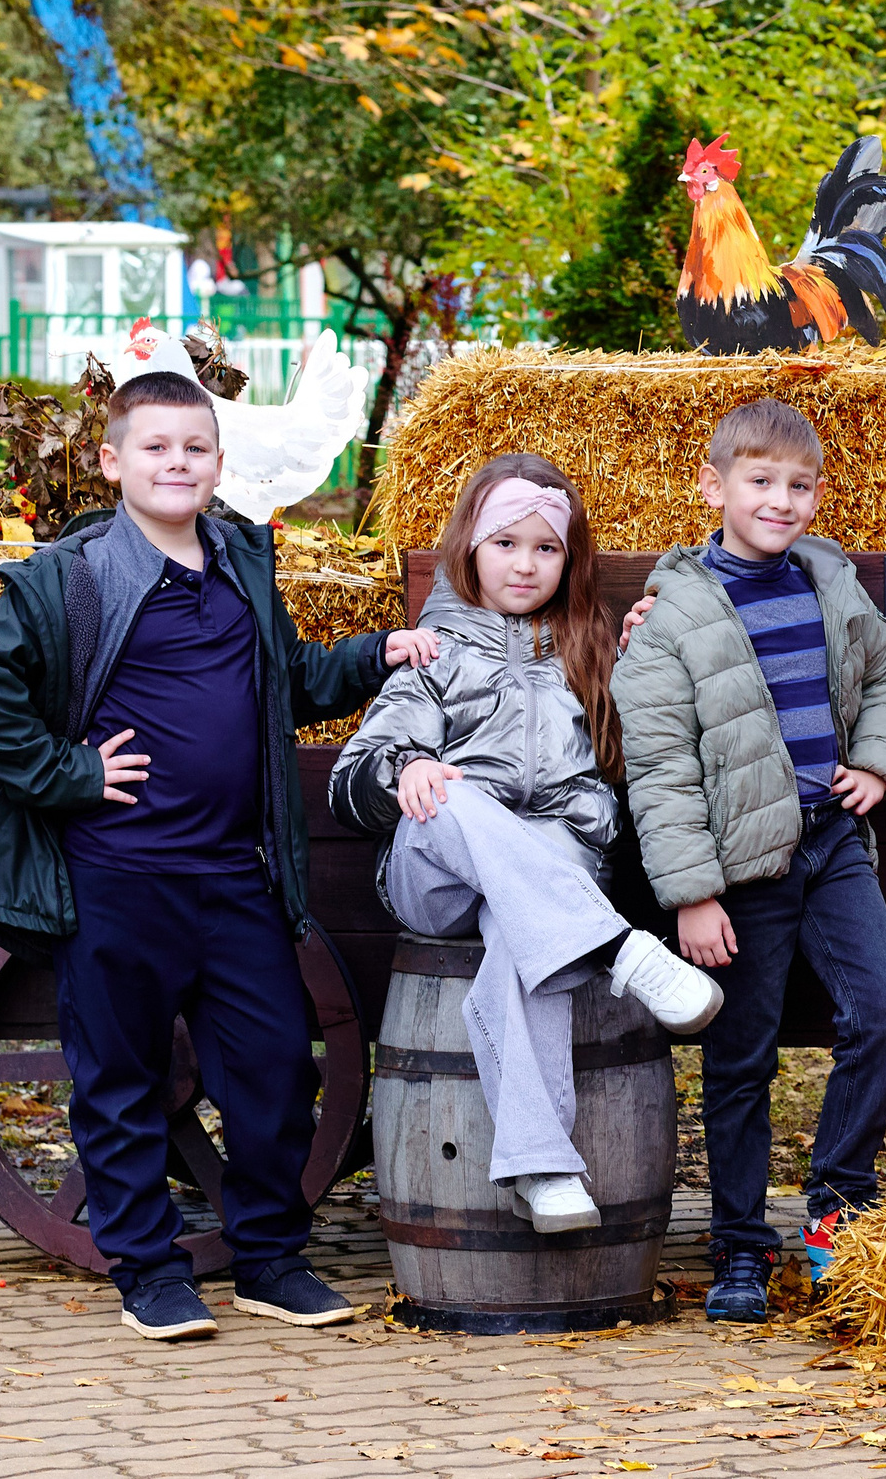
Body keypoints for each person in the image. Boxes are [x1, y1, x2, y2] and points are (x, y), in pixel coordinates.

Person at [0, 368, 441, 1342]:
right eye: (156, 446)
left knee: (272, 1071)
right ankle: (149, 1269)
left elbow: (288, 683)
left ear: (218, 462)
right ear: (111, 461)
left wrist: (379, 652)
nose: (178, 462)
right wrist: (69, 774)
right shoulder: (72, 576)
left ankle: (267, 1259)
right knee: (120, 1077)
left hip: (234, 872)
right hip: (118, 877)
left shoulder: (244, 559)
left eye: (195, 447)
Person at [328, 454, 724, 1232]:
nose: (525, 563)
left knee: (524, 923)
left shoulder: (589, 648)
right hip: (436, 869)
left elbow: (642, 760)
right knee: (453, 793)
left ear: (570, 560)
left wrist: (649, 657)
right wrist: (401, 770)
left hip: (551, 864)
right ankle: (621, 953)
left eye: (546, 548)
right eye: (506, 543)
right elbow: (349, 781)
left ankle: (541, 1166)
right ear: (470, 547)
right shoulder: (434, 650)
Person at [610, 398, 886, 1321]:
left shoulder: (829, 580)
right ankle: (741, 1246)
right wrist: (693, 894)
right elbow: (662, 772)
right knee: (738, 1059)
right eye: (761, 482)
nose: (782, 501)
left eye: (799, 485)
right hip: (742, 871)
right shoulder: (669, 620)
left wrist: (877, 760)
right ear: (715, 487)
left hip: (830, 844)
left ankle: (835, 1205)